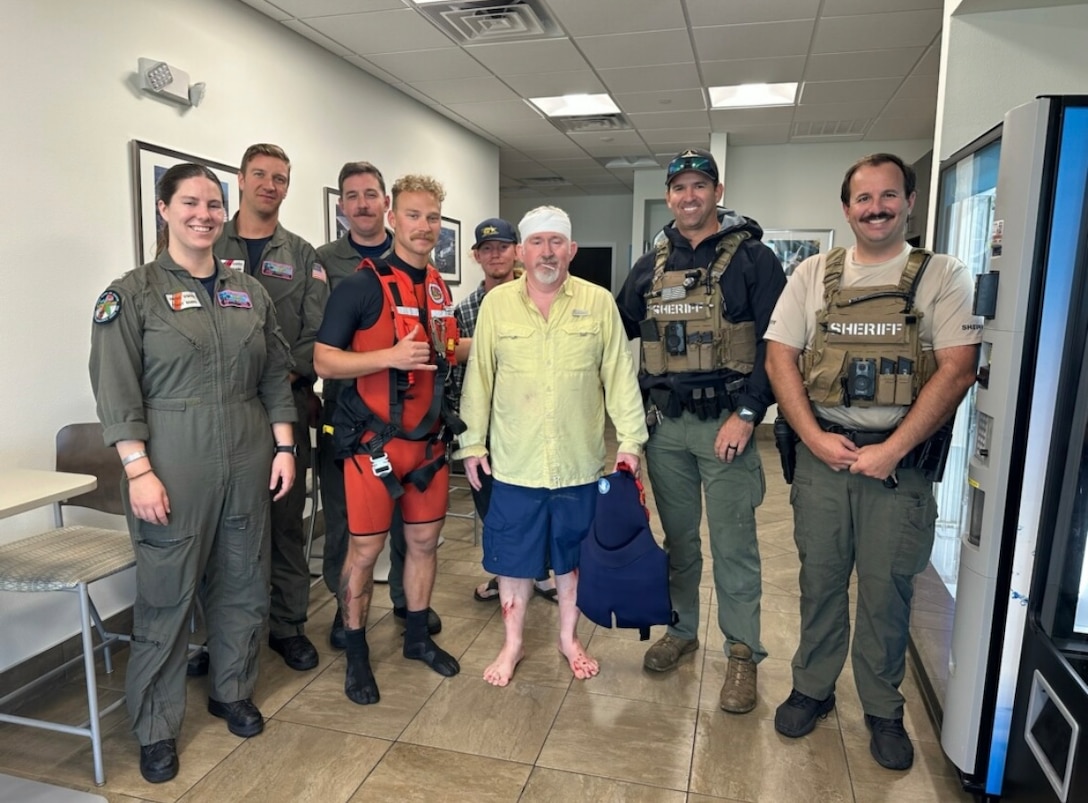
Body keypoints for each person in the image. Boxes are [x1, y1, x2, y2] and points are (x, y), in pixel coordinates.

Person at [764, 153, 980, 770]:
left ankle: (883, 706)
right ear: (847, 209)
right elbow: (781, 357)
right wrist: (809, 436)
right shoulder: (812, 274)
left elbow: (957, 369)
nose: (877, 208)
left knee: (888, 590)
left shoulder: (942, 274)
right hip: (823, 459)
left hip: (898, 468)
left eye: (889, 196)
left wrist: (893, 450)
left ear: (909, 202)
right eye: (864, 199)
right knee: (820, 580)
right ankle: (812, 687)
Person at [89, 163, 297, 783]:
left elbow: (272, 375)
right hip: (172, 459)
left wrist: (284, 446)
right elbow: (116, 390)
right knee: (167, 597)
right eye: (190, 202)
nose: (204, 214)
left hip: (248, 449)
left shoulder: (247, 291)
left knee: (243, 580)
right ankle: (155, 726)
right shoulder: (131, 294)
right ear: (163, 208)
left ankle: (231, 689)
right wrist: (137, 470)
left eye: (213, 203)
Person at [615, 148, 785, 714]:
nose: (689, 197)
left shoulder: (755, 261)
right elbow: (612, 336)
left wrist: (748, 414)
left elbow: (777, 348)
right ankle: (682, 629)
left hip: (727, 425)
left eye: (699, 186)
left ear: (717, 190)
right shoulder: (649, 266)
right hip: (667, 429)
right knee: (680, 543)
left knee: (734, 547)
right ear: (669, 196)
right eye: (679, 188)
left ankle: (742, 652)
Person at [457, 205, 648, 687]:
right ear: (522, 252)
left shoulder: (599, 302)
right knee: (514, 561)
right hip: (515, 464)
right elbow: (478, 380)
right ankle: (513, 643)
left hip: (577, 463)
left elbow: (618, 376)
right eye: (537, 243)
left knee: (571, 559)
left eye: (556, 242)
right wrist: (471, 443)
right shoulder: (497, 306)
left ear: (572, 250)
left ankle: (569, 637)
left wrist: (631, 441)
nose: (547, 252)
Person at [314, 174, 462, 705]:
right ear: (393, 219)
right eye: (414, 215)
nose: (424, 227)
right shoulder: (360, 284)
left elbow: (446, 348)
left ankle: (417, 637)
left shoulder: (440, 288)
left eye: (432, 217)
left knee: (423, 544)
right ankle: (355, 652)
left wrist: (497, 342)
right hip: (372, 448)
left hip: (427, 447)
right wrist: (388, 358)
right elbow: (324, 359)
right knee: (365, 550)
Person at [213, 143, 328, 672]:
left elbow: (315, 332)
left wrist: (279, 379)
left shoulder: (302, 255)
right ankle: (223, 635)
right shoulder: (208, 241)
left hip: (286, 404)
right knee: (224, 525)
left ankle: (287, 625)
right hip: (220, 410)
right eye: (259, 175)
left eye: (279, 178)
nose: (269, 185)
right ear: (240, 179)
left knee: (284, 520)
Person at [452, 217, 557, 606]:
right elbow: (455, 364)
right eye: (487, 249)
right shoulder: (464, 308)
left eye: (503, 246)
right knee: (493, 506)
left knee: (537, 500)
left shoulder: (538, 294)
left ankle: (541, 573)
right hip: (486, 427)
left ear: (517, 250)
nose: (495, 254)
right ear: (476, 256)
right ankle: (503, 573)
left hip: (532, 421)